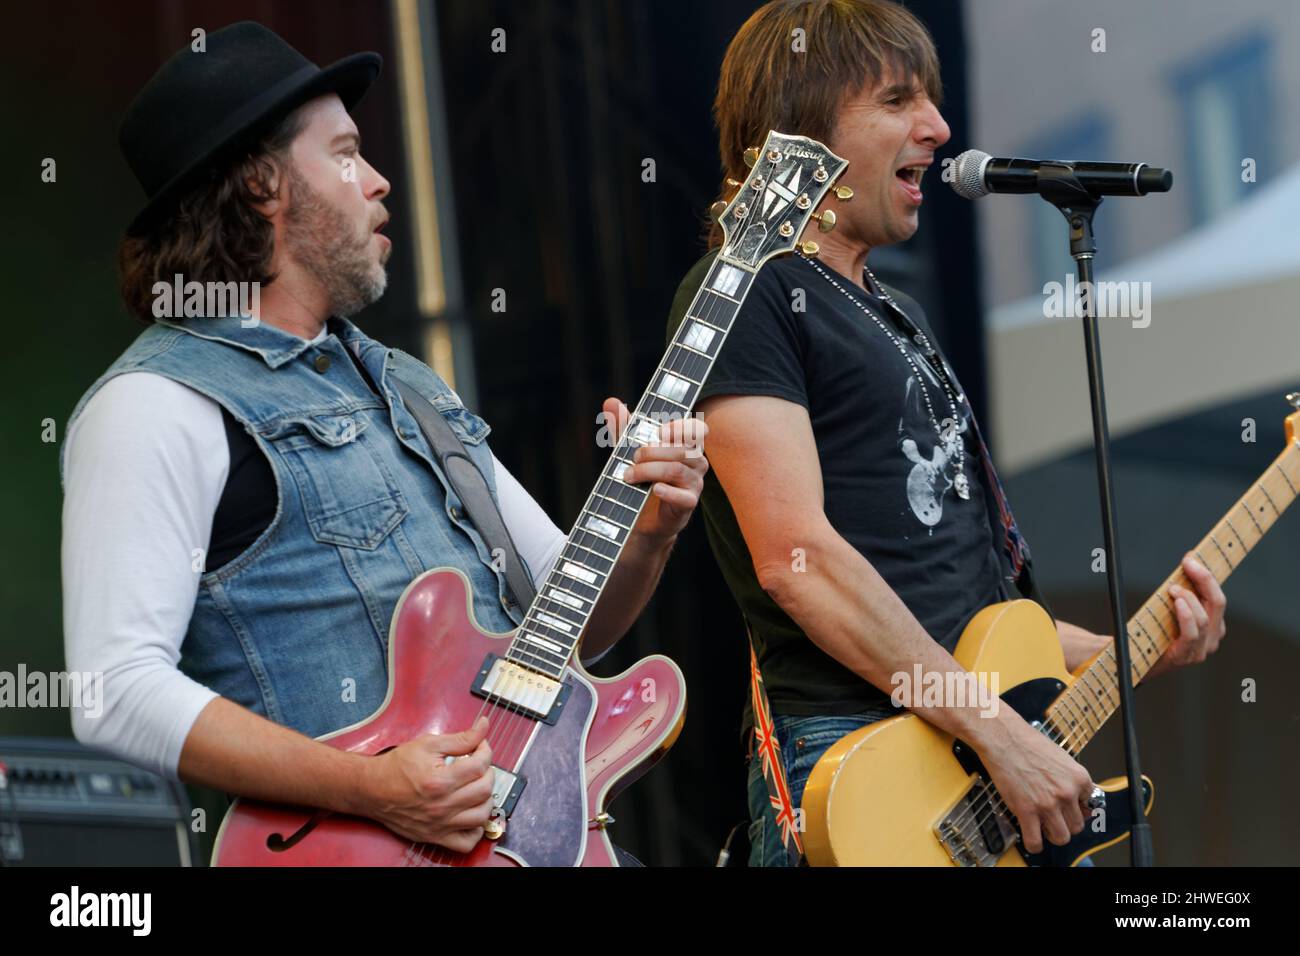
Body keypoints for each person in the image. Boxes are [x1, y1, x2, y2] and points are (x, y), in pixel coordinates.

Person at [61, 21, 707, 860]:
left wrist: (652, 530)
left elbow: (575, 628)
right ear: (263, 186)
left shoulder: (408, 381)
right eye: (345, 154)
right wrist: (376, 788)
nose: (379, 181)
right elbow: (112, 694)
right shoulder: (154, 403)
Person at [666, 0, 1226, 866]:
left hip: (955, 752)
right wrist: (997, 733)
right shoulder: (748, 289)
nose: (938, 127)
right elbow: (795, 559)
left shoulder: (898, 314)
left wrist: (1139, 647)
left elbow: (964, 615)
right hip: (862, 767)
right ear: (801, 132)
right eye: (897, 102)